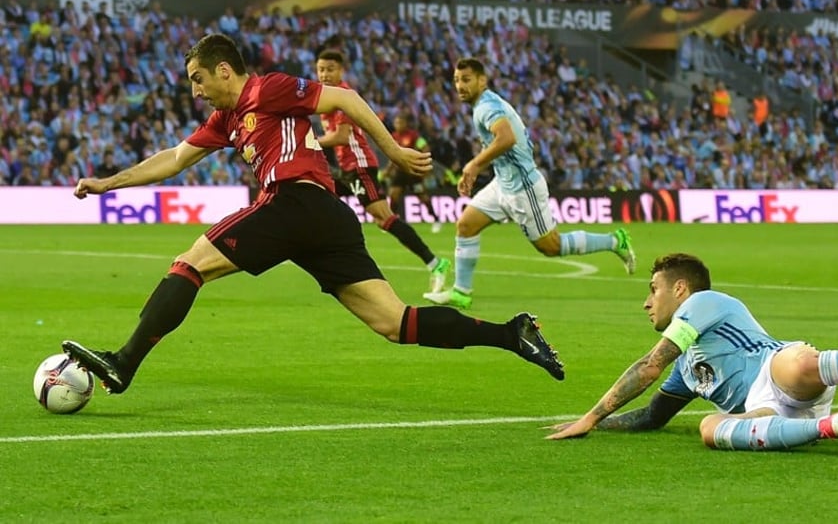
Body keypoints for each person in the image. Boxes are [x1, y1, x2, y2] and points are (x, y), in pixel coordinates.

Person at [60, 33, 565, 396]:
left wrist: (390, 150)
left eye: (198, 79)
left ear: (223, 70)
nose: (195, 90)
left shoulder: (268, 88)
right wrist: (109, 182)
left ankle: (123, 363)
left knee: (189, 264)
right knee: (395, 322)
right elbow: (172, 159)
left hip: (293, 201)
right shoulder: (228, 119)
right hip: (325, 217)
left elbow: (343, 97)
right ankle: (510, 333)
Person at [546, 253, 838, 450]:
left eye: (654, 290)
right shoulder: (687, 367)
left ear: (679, 289)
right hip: (765, 413)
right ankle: (826, 428)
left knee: (800, 364)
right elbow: (653, 416)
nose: (647, 301)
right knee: (707, 428)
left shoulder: (704, 303)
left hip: (777, 372)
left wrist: (592, 416)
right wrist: (602, 428)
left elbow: (648, 365)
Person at [423, 57, 636, 310]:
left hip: (523, 188)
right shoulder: (483, 104)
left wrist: (474, 165)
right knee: (466, 225)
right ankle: (461, 291)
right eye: (457, 80)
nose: (460, 86)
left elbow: (506, 138)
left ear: (482, 80)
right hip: (502, 184)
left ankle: (614, 241)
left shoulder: (486, 106)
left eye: (466, 80)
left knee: (551, 246)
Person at [314, 50, 450, 293]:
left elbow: (342, 136)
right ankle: (330, 259)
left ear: (341, 71)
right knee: (317, 196)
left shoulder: (343, 96)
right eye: (321, 69)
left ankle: (435, 263)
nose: (325, 74)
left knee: (384, 218)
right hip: (346, 169)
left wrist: (311, 141)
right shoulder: (325, 97)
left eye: (330, 69)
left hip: (359, 166)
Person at [381, 112, 445, 234]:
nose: (397, 124)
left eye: (400, 122)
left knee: (422, 196)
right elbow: (393, 157)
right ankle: (391, 222)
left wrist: (422, 163)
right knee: (393, 194)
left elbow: (425, 147)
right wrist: (388, 171)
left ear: (405, 124)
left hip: (412, 171)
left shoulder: (413, 136)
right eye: (396, 122)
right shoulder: (393, 137)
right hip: (400, 172)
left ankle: (436, 219)